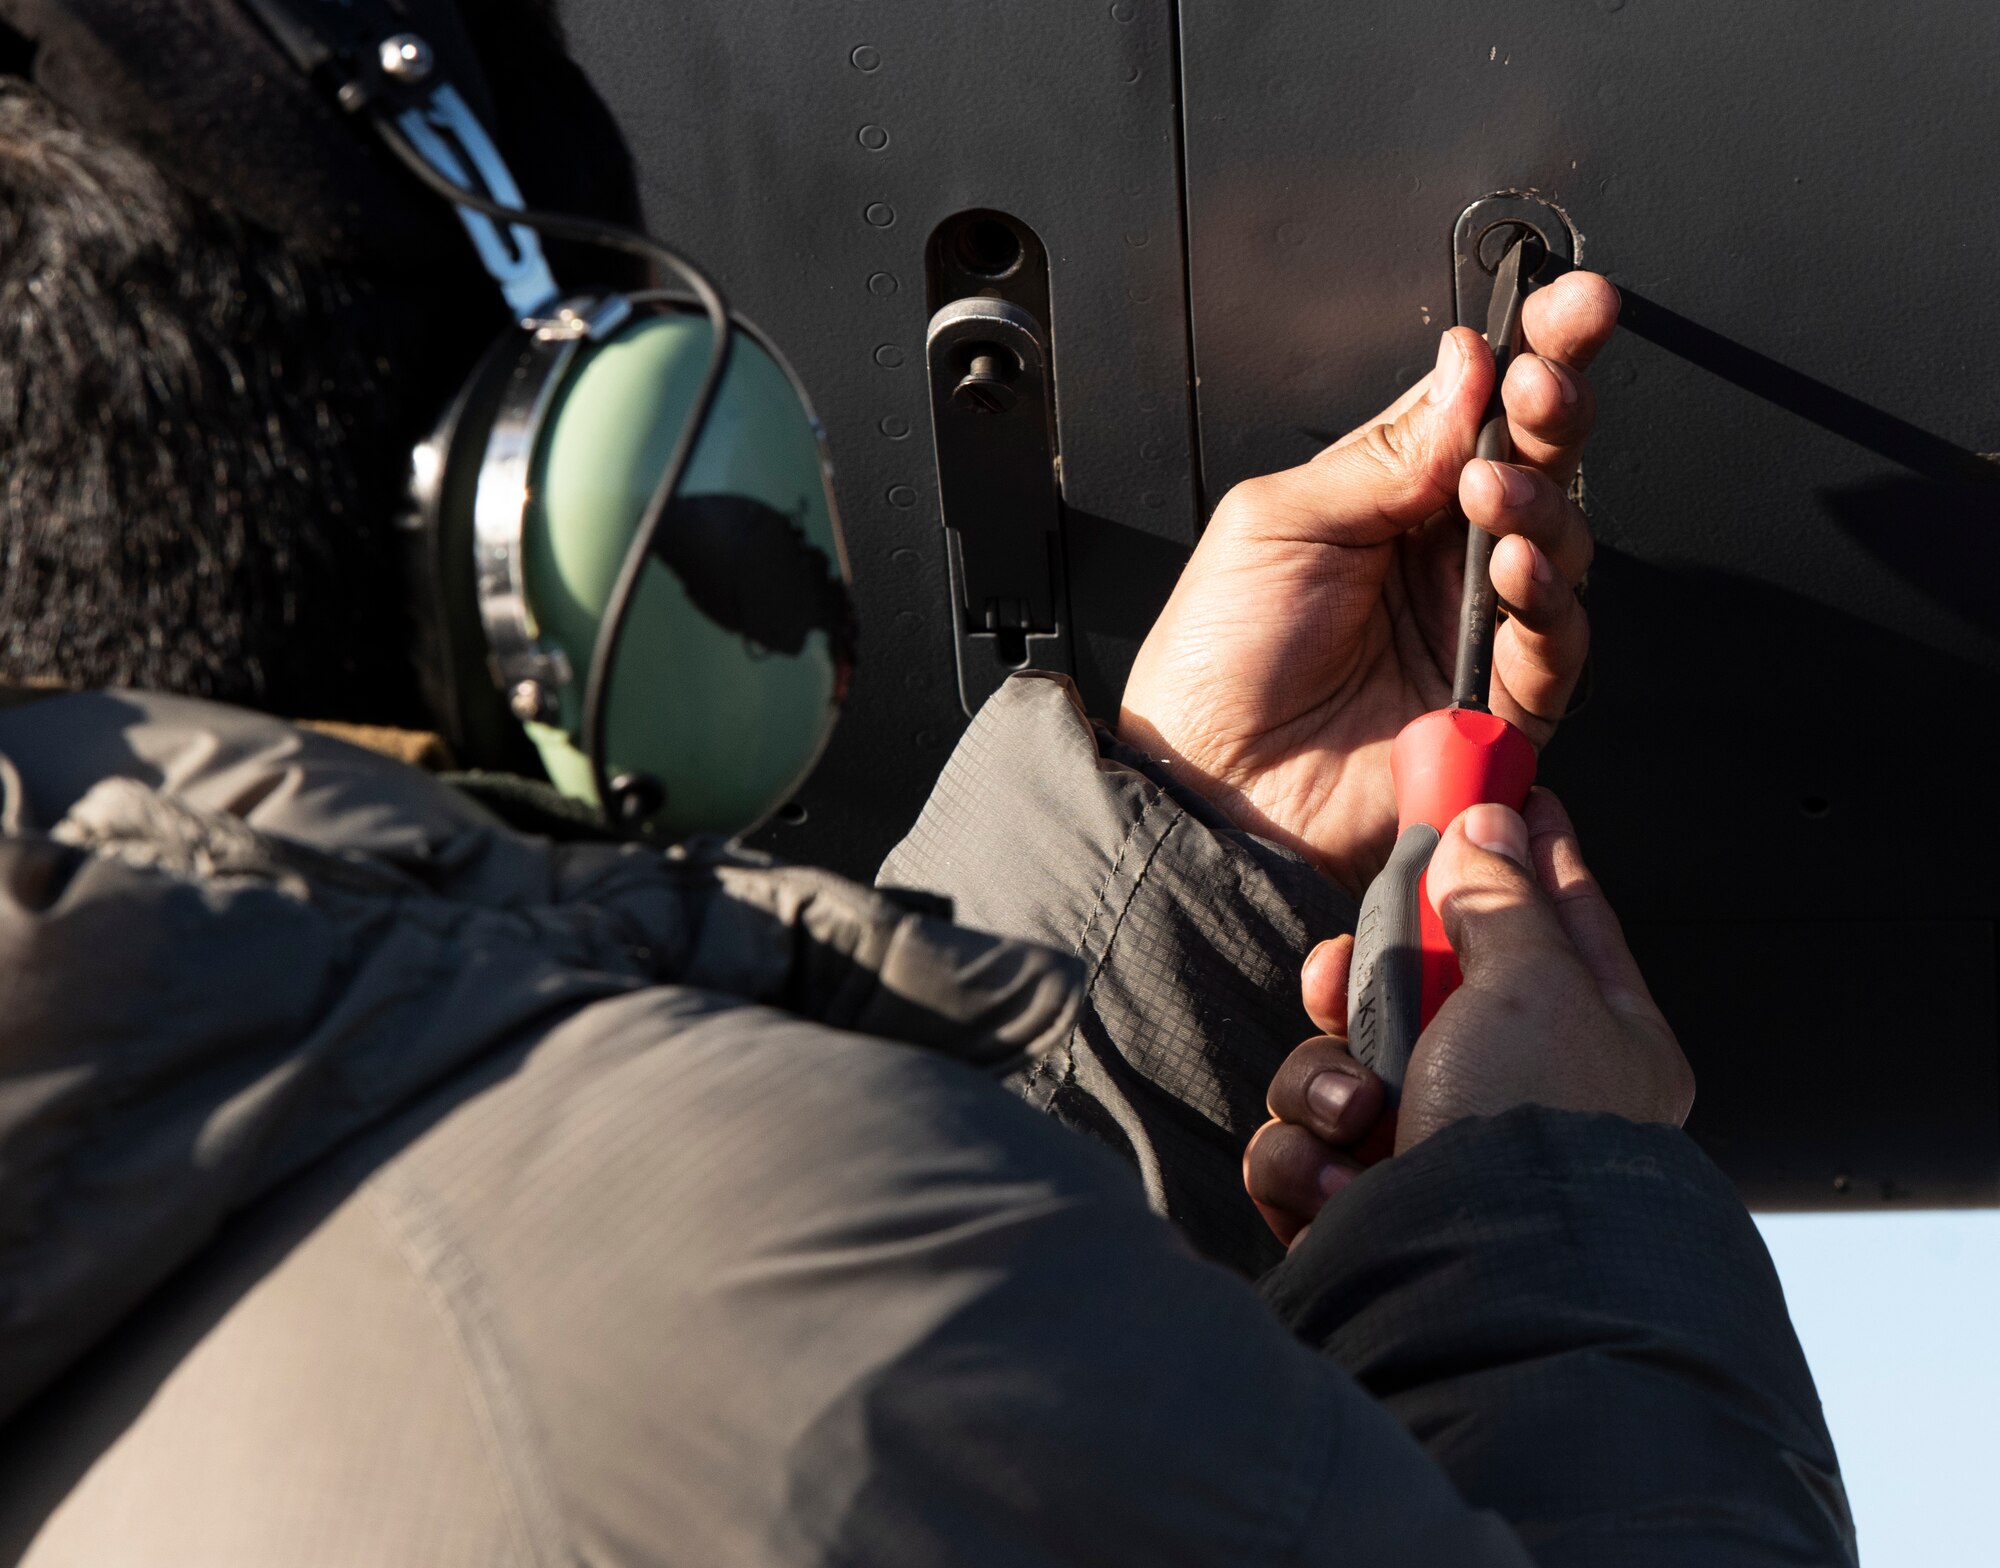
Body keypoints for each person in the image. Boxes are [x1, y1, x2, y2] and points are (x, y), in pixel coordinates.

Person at [0, 2, 1853, 1563]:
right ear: (598, 518)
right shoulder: (787, 1336)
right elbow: (808, 1333)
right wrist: (1564, 1233)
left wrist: (1183, 861)